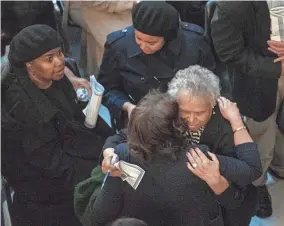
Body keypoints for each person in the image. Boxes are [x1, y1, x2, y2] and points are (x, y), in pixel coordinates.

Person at [101, 65, 261, 225]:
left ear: (212, 106)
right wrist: (109, 152)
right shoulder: (164, 115)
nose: (191, 120)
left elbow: (246, 173)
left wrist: (218, 182)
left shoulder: (227, 126)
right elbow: (121, 136)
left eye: (199, 113)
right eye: (185, 112)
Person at [1, 24, 114, 226]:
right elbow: (51, 165)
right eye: (49, 58)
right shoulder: (21, 108)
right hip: (43, 187)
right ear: (29, 65)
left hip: (66, 152)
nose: (60, 61)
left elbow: (74, 120)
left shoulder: (55, 79)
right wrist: (100, 169)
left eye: (60, 53)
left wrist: (111, 143)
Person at [211, 1, 284, 218]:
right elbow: (229, 52)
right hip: (259, 81)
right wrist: (276, 68)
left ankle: (279, 166)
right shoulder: (231, 5)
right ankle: (257, 183)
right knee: (260, 133)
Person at [97, 1, 215, 129]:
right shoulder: (119, 45)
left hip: (187, 117)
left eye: (151, 43)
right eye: (138, 38)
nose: (143, 46)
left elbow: (209, 85)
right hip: (139, 116)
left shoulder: (194, 43)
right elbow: (106, 89)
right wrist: (128, 107)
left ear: (167, 38)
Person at [62, 1, 135, 75]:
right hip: (88, 5)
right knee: (119, 40)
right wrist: (131, 3)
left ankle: (98, 74)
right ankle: (108, 76)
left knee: (138, 29)